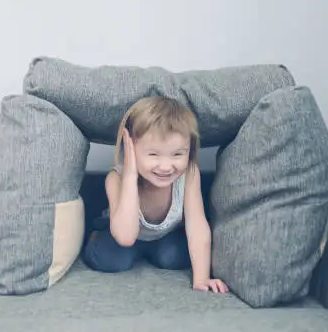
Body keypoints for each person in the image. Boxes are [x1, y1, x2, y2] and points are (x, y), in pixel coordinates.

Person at [82, 96, 229, 294]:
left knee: (173, 257)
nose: (166, 167)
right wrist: (131, 174)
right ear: (131, 148)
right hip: (119, 236)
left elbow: (197, 224)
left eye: (177, 154)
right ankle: (96, 238)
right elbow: (125, 237)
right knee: (112, 260)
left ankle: (152, 251)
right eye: (153, 155)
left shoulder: (189, 174)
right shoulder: (116, 179)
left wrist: (202, 278)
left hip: (164, 236)